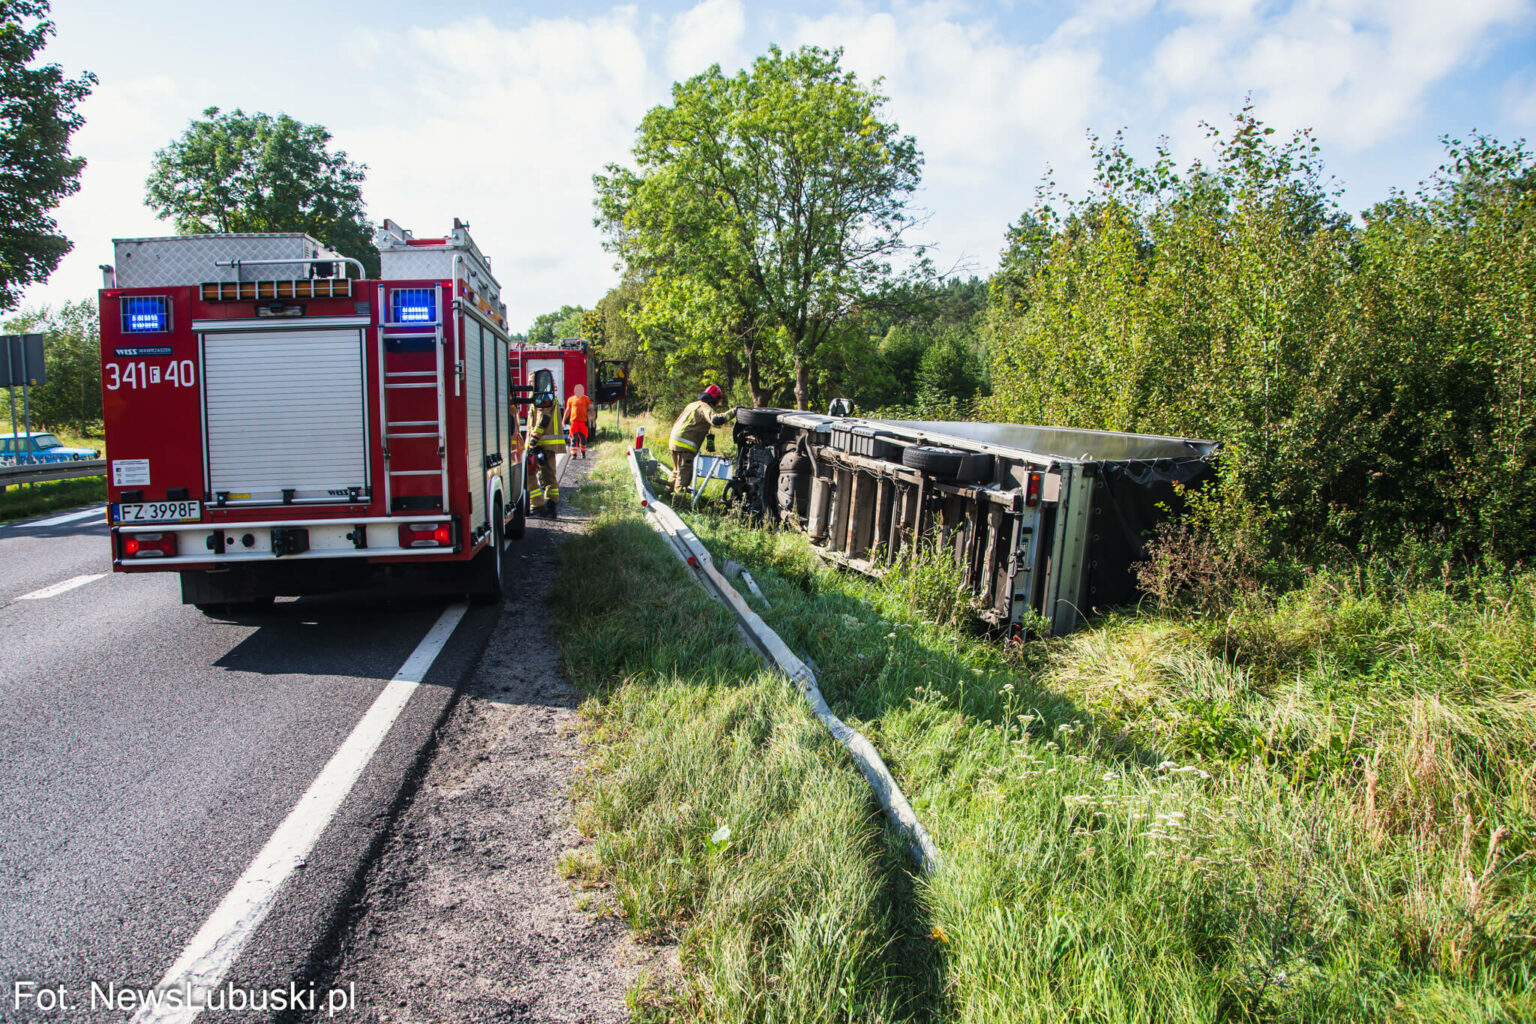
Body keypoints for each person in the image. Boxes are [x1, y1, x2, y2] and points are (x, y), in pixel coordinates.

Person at [668, 384, 733, 499]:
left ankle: (666, 495)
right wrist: (735, 411)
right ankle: (678, 505)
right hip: (685, 444)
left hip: (674, 441)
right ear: (715, 399)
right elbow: (716, 420)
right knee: (684, 477)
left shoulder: (692, 405)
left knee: (676, 471)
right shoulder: (705, 407)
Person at [527, 391, 566, 518]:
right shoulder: (549, 396)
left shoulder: (541, 396)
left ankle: (538, 505)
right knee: (549, 475)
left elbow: (543, 419)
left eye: (532, 381)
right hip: (548, 444)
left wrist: (534, 438)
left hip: (541, 443)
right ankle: (551, 505)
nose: (530, 384)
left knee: (530, 474)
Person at [564, 384, 593, 459]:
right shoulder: (571, 399)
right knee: (574, 438)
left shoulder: (586, 398)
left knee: (583, 439)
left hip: (583, 422)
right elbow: (568, 410)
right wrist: (563, 420)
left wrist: (591, 416)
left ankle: (583, 453)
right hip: (574, 422)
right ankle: (574, 454)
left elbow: (590, 407)